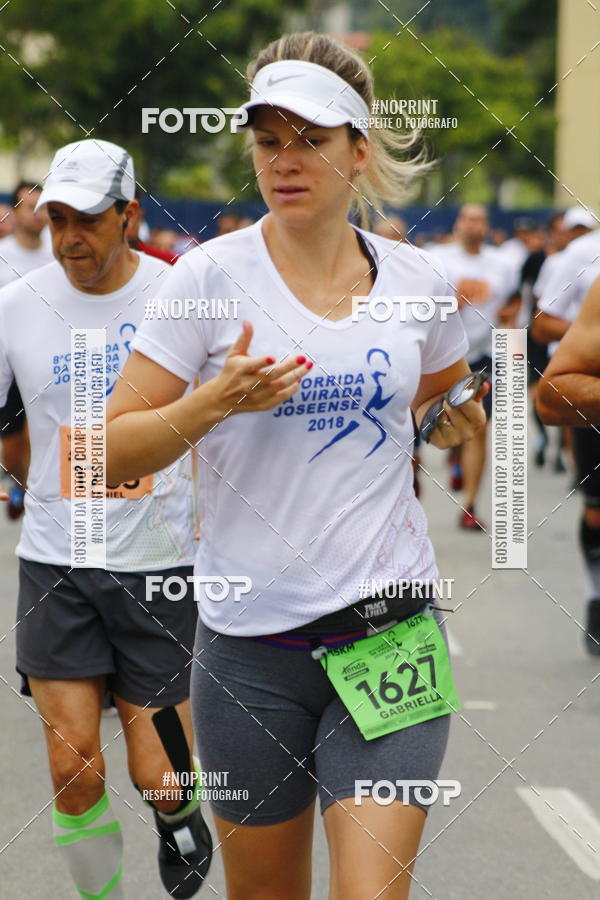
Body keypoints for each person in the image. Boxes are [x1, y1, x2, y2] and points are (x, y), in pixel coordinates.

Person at [106, 32, 487, 900]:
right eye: (268, 139)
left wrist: (451, 422)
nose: (285, 160)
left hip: (391, 631)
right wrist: (212, 404)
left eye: (311, 139)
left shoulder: (416, 281)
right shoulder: (206, 279)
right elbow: (111, 447)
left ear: (358, 150)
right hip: (251, 653)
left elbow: (442, 401)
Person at [0, 139, 212, 899]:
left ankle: (179, 818)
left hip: (161, 568)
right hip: (56, 563)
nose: (69, 238)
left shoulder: (181, 295)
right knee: (73, 769)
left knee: (162, 776)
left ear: (129, 215)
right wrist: (39, 486)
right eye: (57, 219)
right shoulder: (15, 305)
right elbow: (8, 428)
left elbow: (223, 418)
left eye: (87, 220)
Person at [533, 219, 600, 656]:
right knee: (597, 511)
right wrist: (580, 332)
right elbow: (542, 325)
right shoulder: (580, 255)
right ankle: (597, 594)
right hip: (587, 377)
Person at [433, 204, 516, 529]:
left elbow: (512, 301)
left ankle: (469, 506)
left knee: (479, 429)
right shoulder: (439, 260)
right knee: (451, 424)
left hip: (484, 356)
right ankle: (455, 455)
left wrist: (510, 317)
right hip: (445, 355)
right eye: (467, 218)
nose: (473, 224)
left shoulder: (502, 264)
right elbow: (421, 306)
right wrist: (451, 304)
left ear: (487, 226)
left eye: (479, 219)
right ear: (458, 224)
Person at [0, 182, 54, 520]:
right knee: (11, 447)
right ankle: (20, 480)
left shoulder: (59, 252)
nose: (36, 214)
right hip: (9, 362)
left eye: (41, 206)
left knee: (44, 432)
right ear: (13, 212)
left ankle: (40, 494)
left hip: (49, 358)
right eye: (28, 206)